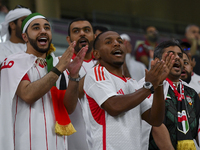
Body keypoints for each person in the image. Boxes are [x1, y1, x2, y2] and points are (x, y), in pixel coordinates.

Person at [0, 13, 88, 150]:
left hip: (57, 143)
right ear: (25, 37)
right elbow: (28, 94)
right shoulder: (13, 61)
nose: (43, 31)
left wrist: (74, 75)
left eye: (47, 28)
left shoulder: (56, 65)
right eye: (36, 28)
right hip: (25, 143)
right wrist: (59, 68)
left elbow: (69, 108)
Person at [83, 31, 174, 149]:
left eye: (120, 41)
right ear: (97, 54)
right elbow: (113, 106)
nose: (116, 44)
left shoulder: (132, 84)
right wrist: (150, 85)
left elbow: (155, 120)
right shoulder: (96, 73)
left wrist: (159, 84)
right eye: (109, 42)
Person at [140, 40, 200, 150]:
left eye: (180, 55)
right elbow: (156, 126)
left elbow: (197, 129)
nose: (177, 58)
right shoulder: (147, 85)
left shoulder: (191, 93)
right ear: (157, 60)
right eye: (171, 55)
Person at [65, 18, 97, 150]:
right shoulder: (61, 63)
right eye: (76, 31)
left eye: (86, 30)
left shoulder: (106, 65)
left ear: (94, 36)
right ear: (68, 39)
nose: (82, 34)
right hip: (76, 136)